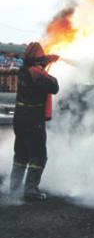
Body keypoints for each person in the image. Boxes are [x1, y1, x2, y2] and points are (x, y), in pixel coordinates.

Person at [9, 42, 59, 201]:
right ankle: (31, 190)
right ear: (38, 60)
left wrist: (46, 61)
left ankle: (14, 188)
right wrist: (45, 64)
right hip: (33, 118)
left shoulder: (24, 70)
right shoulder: (38, 73)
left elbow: (36, 67)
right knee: (38, 156)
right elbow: (54, 86)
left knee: (21, 154)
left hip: (20, 116)